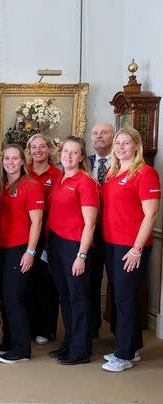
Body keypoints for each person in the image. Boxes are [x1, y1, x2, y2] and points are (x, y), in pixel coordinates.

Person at [101, 126, 160, 372]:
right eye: (118, 143)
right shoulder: (112, 173)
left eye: (126, 143)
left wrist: (136, 249)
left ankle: (123, 355)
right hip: (112, 243)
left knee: (125, 298)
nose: (121, 147)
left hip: (131, 246)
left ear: (137, 146)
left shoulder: (146, 173)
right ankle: (132, 346)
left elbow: (151, 213)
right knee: (120, 296)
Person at [46, 136, 98, 366]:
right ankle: (69, 342)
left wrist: (82, 255)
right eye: (65, 151)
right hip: (57, 244)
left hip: (75, 246)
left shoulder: (85, 183)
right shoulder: (59, 179)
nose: (68, 156)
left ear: (81, 157)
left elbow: (90, 224)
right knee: (65, 297)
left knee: (78, 298)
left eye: (74, 152)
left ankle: (81, 349)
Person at [0, 144, 43, 364]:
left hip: (20, 248)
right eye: (6, 158)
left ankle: (22, 349)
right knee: (4, 298)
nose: (10, 162)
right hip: (0, 248)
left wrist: (30, 251)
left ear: (23, 161)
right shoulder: (0, 185)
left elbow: (37, 221)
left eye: (15, 159)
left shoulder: (31, 186)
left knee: (15, 299)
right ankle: (8, 340)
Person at [26, 134, 62, 345]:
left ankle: (45, 329)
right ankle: (29, 325)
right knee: (28, 281)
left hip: (49, 234)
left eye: (42, 146)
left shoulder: (58, 174)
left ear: (50, 150)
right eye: (33, 147)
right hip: (27, 234)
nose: (38, 150)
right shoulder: (24, 173)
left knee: (47, 283)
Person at [88, 122, 115, 339]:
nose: (99, 136)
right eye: (95, 133)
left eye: (104, 132)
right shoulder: (85, 163)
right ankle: (92, 327)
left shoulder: (124, 163)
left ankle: (118, 330)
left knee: (117, 282)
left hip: (117, 232)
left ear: (113, 136)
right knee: (90, 280)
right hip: (91, 231)